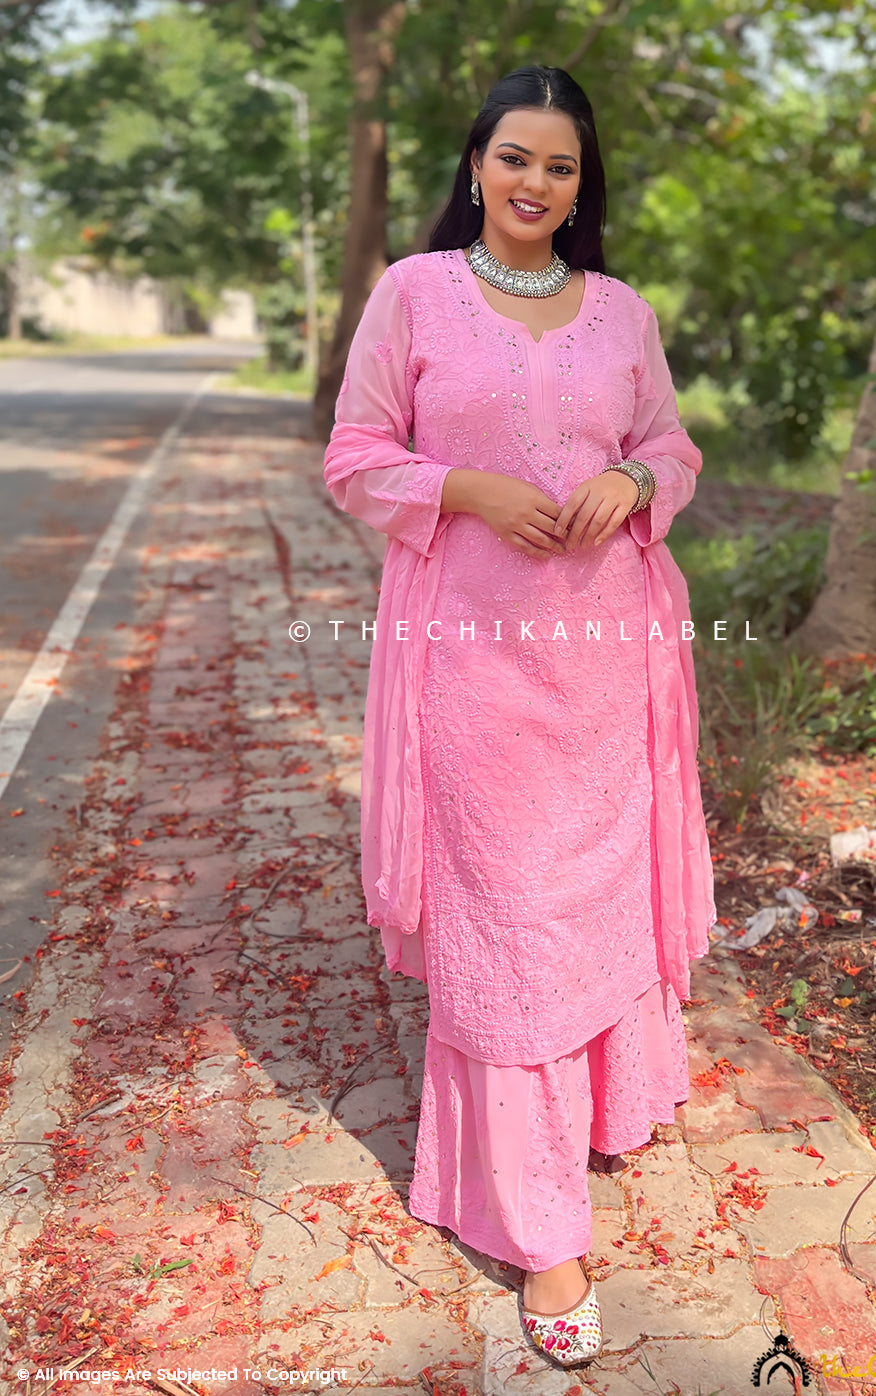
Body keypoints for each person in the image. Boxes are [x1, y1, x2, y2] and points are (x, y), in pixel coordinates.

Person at [323, 63, 717, 1369]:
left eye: (558, 164)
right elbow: (355, 454)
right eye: (512, 159)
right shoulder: (414, 292)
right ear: (474, 164)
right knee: (506, 929)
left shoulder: (623, 313)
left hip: (606, 666)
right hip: (473, 669)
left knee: (590, 905)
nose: (533, 184)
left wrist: (627, 478)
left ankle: (601, 1107)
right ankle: (544, 1228)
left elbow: (671, 446)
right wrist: (468, 492)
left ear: (578, 180)